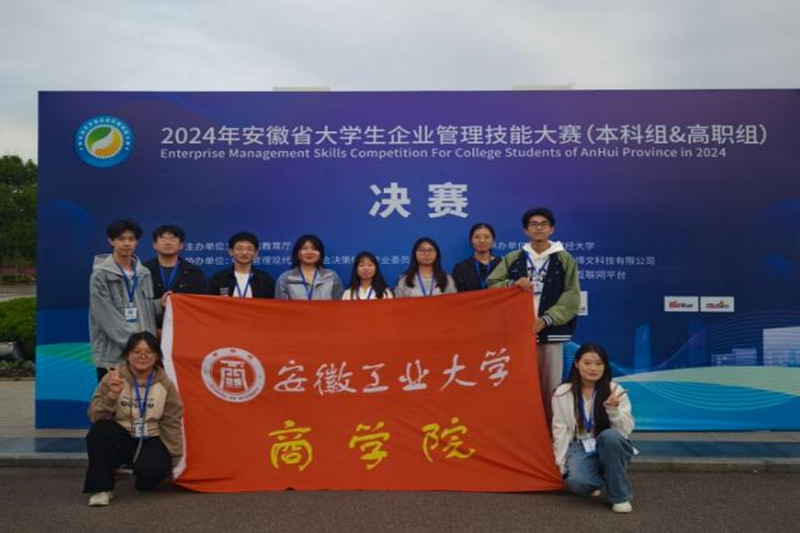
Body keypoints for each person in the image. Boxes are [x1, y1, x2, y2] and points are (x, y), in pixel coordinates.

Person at [487, 207, 580, 423]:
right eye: (534, 224)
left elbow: (572, 295)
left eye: (544, 224)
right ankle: (520, 431)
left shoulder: (564, 258)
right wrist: (512, 283)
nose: (539, 228)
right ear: (526, 230)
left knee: (551, 388)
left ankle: (550, 433)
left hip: (550, 333)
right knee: (517, 384)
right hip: (518, 334)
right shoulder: (514, 258)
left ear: (552, 229)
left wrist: (547, 319)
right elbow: (492, 285)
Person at [84, 332, 183, 507]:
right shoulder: (113, 378)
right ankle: (102, 488)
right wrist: (112, 394)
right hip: (120, 436)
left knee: (152, 475)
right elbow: (95, 416)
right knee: (100, 431)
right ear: (127, 355)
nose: (143, 356)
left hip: (150, 437)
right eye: (137, 352)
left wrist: (175, 457)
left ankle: (139, 471)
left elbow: (171, 421)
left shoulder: (165, 384)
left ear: (157, 356)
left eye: (149, 352)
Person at [552, 343, 635, 513]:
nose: (593, 368)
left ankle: (620, 497)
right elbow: (560, 429)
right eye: (587, 363)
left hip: (611, 444)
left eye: (598, 364)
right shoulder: (562, 392)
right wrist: (560, 463)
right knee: (578, 483)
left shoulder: (615, 390)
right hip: (580, 445)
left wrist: (613, 410)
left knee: (610, 437)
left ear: (605, 366)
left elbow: (625, 431)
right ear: (577, 363)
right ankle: (599, 478)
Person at [89, 219, 159, 382]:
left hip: (144, 356)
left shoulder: (144, 273)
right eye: (121, 239)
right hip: (113, 357)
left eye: (131, 239)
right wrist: (136, 345)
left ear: (137, 242)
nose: (126, 243)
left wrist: (160, 304)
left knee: (141, 397)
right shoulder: (100, 275)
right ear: (111, 241)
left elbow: (145, 309)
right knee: (113, 396)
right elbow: (105, 316)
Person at [144, 224, 207, 328]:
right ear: (154, 245)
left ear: (181, 245)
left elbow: (202, 305)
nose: (168, 243)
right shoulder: (143, 271)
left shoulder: (194, 272)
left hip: (185, 328)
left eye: (173, 239)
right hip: (149, 330)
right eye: (163, 239)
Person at [275, 235, 344, 300]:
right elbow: (280, 306)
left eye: (314, 249)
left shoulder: (331, 276)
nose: (309, 252)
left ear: (320, 254)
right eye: (305, 248)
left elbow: (339, 304)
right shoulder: (285, 278)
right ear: (298, 253)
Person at [208, 231, 275, 298]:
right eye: (239, 249)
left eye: (249, 249)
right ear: (231, 251)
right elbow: (210, 302)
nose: (244, 252)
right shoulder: (219, 279)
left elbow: (270, 303)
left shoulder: (265, 279)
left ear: (256, 253)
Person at [452, 223, 502, 292]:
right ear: (471, 241)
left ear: (493, 241)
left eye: (486, 237)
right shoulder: (461, 268)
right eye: (477, 237)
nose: (482, 240)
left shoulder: (502, 264)